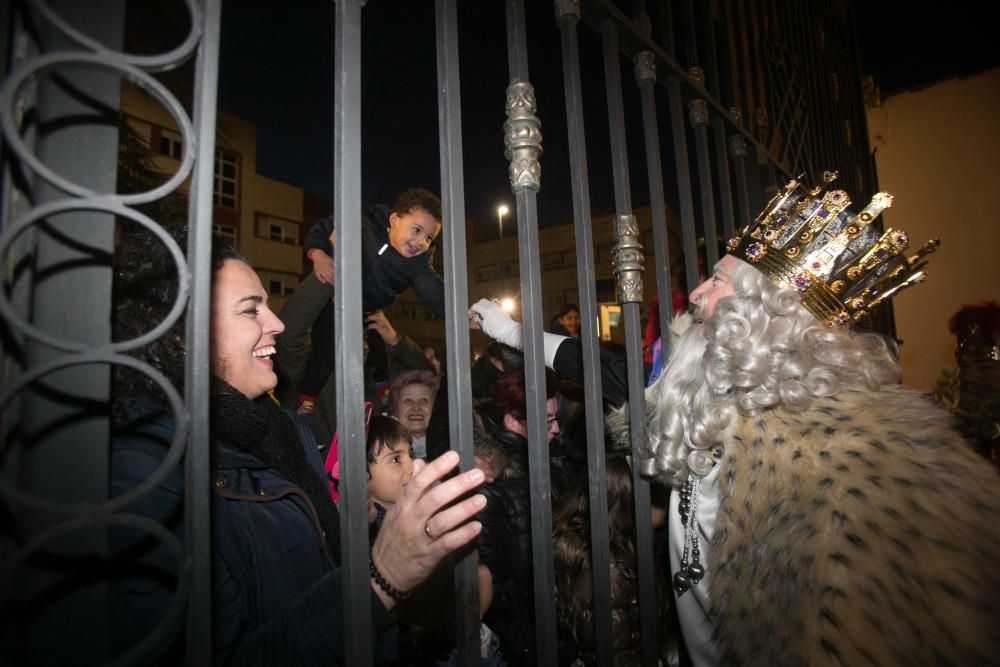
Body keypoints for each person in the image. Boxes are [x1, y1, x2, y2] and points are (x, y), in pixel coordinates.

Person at [473, 173, 1000, 665]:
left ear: (765, 312)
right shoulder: (699, 399)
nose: (697, 294)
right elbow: (605, 371)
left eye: (717, 281)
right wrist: (511, 333)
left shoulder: (848, 466)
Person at [109, 229, 485, 665]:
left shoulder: (282, 432)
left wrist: (351, 524)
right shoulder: (145, 474)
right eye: (252, 310)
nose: (276, 323)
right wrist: (381, 580)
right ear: (182, 335)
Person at [275, 187, 444, 414]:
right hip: (337, 301)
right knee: (325, 352)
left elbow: (432, 290)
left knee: (376, 349)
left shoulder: (418, 264)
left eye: (428, 238)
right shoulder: (364, 225)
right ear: (394, 220)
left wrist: (457, 312)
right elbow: (323, 228)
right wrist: (319, 254)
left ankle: (382, 397)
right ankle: (308, 401)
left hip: (369, 309)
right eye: (416, 230)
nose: (420, 242)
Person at [474, 368, 575, 665]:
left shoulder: (548, 462)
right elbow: (505, 586)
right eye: (547, 421)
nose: (555, 429)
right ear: (512, 422)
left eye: (556, 419)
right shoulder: (493, 483)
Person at [553, 456, 674, 666]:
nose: (664, 499)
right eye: (653, 493)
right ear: (629, 499)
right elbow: (613, 649)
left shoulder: (622, 542)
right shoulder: (605, 564)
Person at [386, 369, 440, 460]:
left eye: (424, 401)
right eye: (408, 401)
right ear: (396, 408)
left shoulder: (452, 447)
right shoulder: (383, 450)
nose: (416, 408)